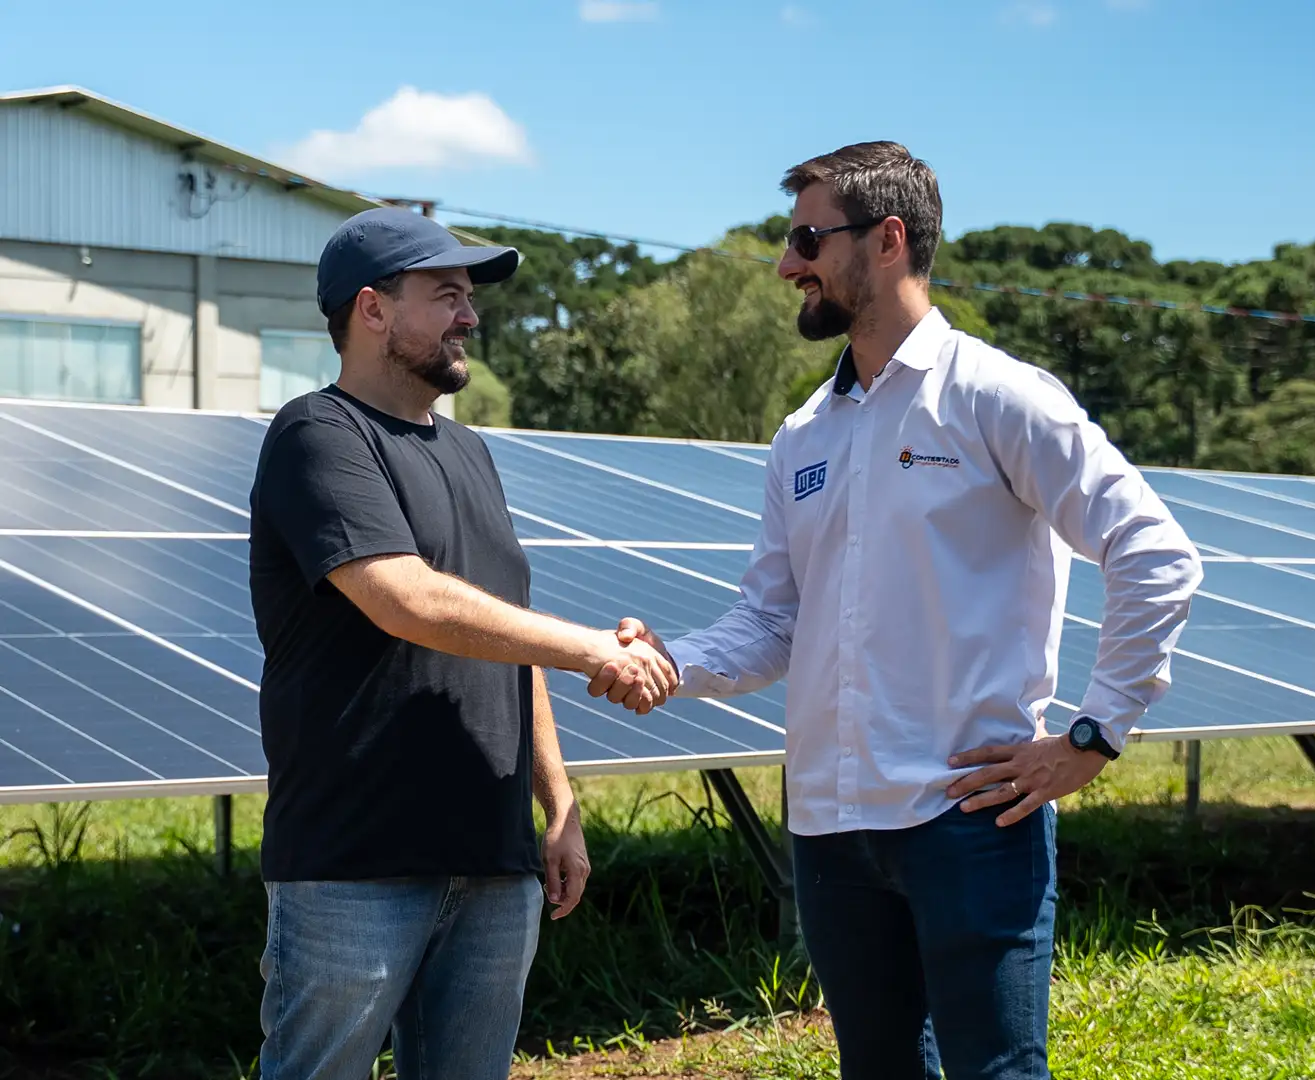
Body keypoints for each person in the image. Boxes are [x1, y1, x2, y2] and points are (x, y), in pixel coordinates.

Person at [590, 142, 1204, 1080]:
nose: (786, 265)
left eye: (805, 238)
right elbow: (772, 622)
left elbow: (1156, 554)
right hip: (830, 827)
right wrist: (669, 661)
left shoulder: (998, 398)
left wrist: (1094, 735)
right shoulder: (804, 435)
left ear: (886, 240)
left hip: (970, 819)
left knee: (994, 1072)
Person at [247, 206, 675, 1080]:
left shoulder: (473, 454)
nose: (469, 315)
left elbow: (506, 634)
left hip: (492, 860)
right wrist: (595, 648)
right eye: (445, 295)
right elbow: (406, 598)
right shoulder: (317, 435)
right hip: (354, 865)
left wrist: (559, 806)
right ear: (372, 310)